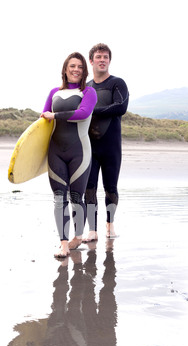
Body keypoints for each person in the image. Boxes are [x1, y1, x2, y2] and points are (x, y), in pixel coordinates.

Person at [41, 52, 97, 258]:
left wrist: (55, 115)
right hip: (55, 151)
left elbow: (82, 113)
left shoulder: (88, 92)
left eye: (80, 67)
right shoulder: (54, 92)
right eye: (72, 66)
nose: (76, 70)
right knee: (58, 198)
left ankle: (78, 236)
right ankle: (63, 243)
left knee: (76, 197)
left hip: (79, 152)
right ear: (65, 69)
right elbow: (44, 120)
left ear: (84, 71)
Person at [82, 43, 129, 242]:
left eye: (106, 57)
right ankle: (92, 229)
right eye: (99, 57)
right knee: (89, 187)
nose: (102, 60)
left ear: (109, 61)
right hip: (90, 147)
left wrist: (92, 111)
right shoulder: (87, 88)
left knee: (111, 187)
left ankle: (110, 225)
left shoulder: (117, 83)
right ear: (91, 61)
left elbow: (120, 107)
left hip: (111, 147)